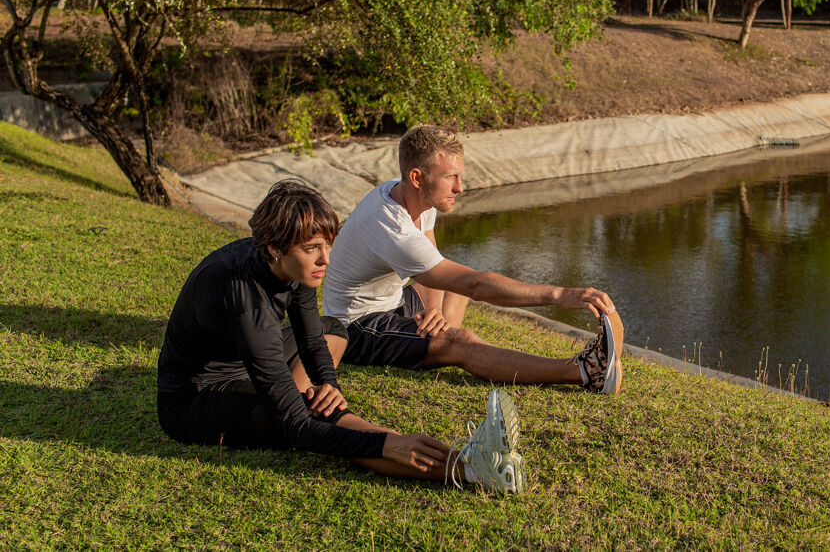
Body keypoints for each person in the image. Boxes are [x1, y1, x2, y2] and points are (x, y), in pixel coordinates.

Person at [156, 179, 524, 493]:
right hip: (197, 400)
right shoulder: (245, 299)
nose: (325, 260)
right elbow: (298, 428)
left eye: (327, 245)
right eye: (312, 249)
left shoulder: (291, 267)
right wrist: (384, 444)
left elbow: (313, 339)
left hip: (246, 362)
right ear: (274, 248)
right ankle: (473, 469)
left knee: (332, 330)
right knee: (312, 418)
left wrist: (328, 383)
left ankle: (312, 399)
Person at [322, 125, 624, 395]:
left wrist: (433, 308)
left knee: (454, 288)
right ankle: (583, 372)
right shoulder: (392, 227)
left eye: (460, 175)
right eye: (451, 177)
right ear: (417, 177)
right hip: (356, 327)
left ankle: (438, 346)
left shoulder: (413, 194)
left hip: (392, 303)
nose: (460, 187)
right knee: (462, 331)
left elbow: (433, 258)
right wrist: (562, 295)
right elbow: (477, 286)